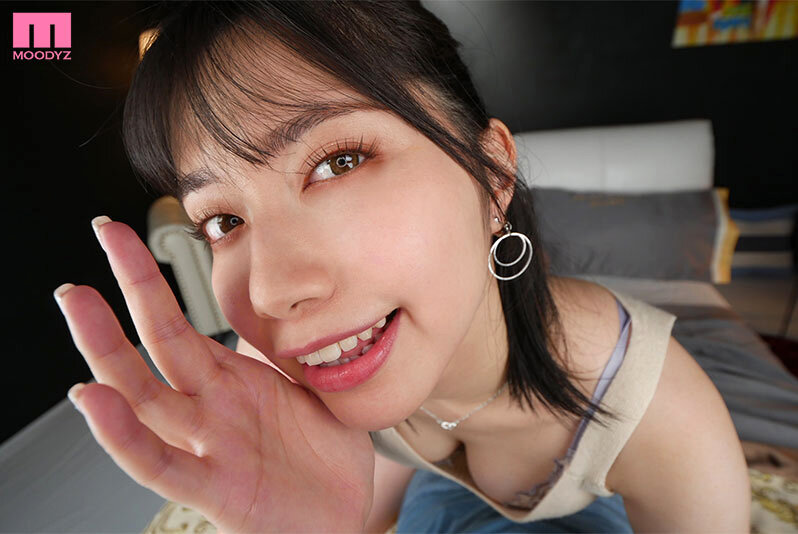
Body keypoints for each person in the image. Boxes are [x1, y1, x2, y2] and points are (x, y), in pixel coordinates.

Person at [54, 2, 750, 532]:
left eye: (339, 162)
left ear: (492, 175)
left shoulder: (664, 420)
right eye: (223, 222)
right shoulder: (280, 372)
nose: (272, 292)